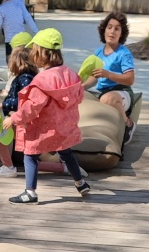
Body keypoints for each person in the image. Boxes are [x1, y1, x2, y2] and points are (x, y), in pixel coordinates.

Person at [9, 28, 90, 204]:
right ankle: (81, 183)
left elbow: (32, 107)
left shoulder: (42, 80)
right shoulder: (71, 74)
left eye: (34, 51)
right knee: (66, 153)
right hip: (64, 128)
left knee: (30, 155)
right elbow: (79, 96)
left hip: (44, 130)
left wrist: (14, 118)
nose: (32, 55)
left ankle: (30, 192)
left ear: (42, 53)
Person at [82, 11, 136, 140]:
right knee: (79, 95)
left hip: (121, 92)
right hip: (103, 93)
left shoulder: (124, 53)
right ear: (104, 30)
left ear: (121, 33)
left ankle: (128, 124)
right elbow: (94, 77)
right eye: (109, 27)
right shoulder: (98, 52)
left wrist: (108, 74)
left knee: (107, 99)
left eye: (117, 29)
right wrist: (81, 87)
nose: (112, 32)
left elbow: (130, 79)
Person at [0, 45, 37, 177]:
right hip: (21, 117)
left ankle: (8, 166)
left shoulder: (24, 79)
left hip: (22, 119)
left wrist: (4, 104)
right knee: (30, 156)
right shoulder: (25, 77)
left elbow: (23, 101)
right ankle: (61, 167)